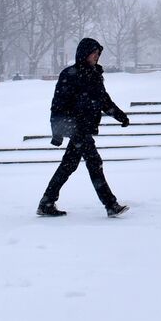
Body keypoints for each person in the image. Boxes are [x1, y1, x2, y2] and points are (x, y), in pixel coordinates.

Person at [37, 38, 130, 218]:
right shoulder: (69, 75)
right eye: (94, 53)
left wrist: (120, 116)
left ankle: (46, 202)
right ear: (84, 53)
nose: (96, 56)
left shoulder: (94, 74)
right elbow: (57, 104)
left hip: (85, 127)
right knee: (94, 163)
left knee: (68, 165)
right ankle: (110, 204)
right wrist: (56, 131)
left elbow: (104, 100)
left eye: (98, 53)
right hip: (75, 127)